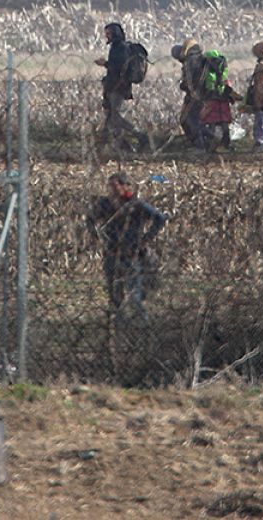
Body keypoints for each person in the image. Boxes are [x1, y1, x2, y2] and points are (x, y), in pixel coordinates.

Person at [86, 173, 167, 326]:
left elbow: (160, 218)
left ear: (124, 186)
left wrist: (146, 239)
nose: (112, 189)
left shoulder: (135, 204)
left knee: (134, 295)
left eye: (115, 185)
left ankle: (142, 325)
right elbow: (89, 218)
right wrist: (95, 236)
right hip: (110, 252)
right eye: (109, 186)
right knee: (115, 295)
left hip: (130, 254)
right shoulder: (105, 204)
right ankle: (119, 326)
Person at [95, 23, 151, 153]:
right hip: (112, 85)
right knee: (110, 118)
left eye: (108, 33)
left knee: (115, 116)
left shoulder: (121, 48)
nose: (106, 36)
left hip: (119, 86)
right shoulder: (115, 47)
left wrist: (105, 64)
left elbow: (120, 68)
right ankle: (123, 145)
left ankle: (140, 136)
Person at [171, 38, 212, 151]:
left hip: (194, 96)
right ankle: (201, 140)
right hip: (204, 94)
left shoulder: (189, 62)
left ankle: (201, 143)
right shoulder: (200, 57)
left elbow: (189, 82)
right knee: (187, 118)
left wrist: (192, 94)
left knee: (189, 118)